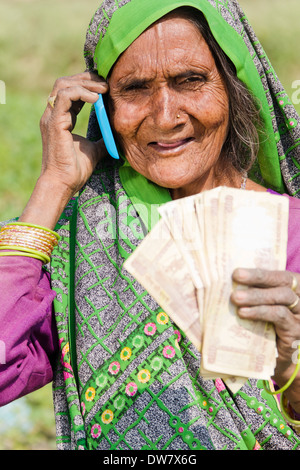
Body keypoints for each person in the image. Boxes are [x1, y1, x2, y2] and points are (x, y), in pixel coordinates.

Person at [1, 0, 300, 451]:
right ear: (103, 109)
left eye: (190, 81)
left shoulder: (291, 235)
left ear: (235, 89)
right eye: (135, 89)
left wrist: (291, 372)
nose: (164, 117)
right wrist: (53, 185)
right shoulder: (81, 243)